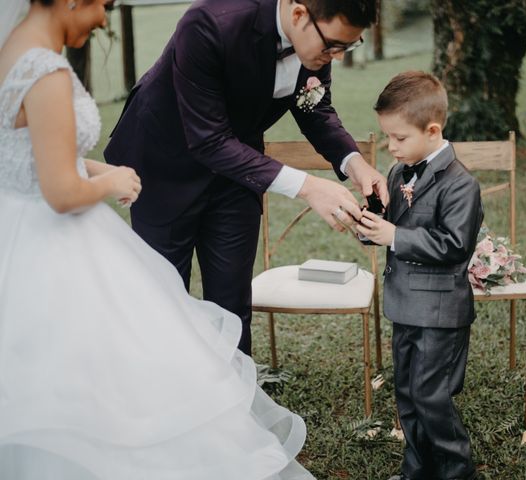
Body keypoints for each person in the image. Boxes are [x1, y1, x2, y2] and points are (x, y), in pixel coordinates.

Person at [0, 0, 314, 478]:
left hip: (17, 235)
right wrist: (113, 184)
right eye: (102, 5)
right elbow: (61, 191)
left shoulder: (11, 53)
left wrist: (102, 168)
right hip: (59, 240)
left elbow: (27, 155)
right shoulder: (46, 70)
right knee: (124, 361)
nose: (105, 19)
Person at [104, 0, 389, 356]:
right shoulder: (208, 22)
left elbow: (314, 108)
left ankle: (234, 402)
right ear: (299, 14)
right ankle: (168, 403)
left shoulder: (314, 45)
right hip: (164, 168)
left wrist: (354, 163)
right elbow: (208, 139)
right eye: (333, 45)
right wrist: (308, 187)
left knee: (232, 303)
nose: (338, 57)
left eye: (347, 47)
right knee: (163, 298)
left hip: (239, 173)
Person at [356, 71, 483, 480]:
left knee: (433, 398)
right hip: (405, 307)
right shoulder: (398, 173)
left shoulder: (461, 184)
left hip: (440, 313)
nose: (391, 147)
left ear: (432, 130)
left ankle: (457, 473)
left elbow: (454, 246)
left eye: (398, 138)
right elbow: (394, 227)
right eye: (387, 137)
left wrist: (395, 234)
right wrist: (370, 222)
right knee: (407, 395)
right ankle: (417, 471)